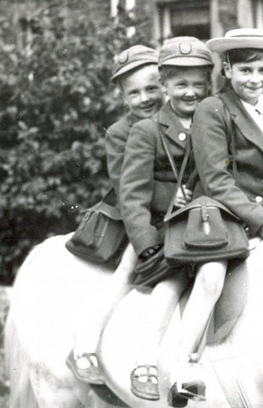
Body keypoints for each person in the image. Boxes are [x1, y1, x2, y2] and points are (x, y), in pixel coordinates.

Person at [164, 28, 263, 406]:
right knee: (211, 277)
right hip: (219, 213)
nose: (256, 80)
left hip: (262, 216)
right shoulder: (213, 109)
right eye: (246, 71)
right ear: (227, 70)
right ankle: (183, 365)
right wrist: (259, 217)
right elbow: (215, 179)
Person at [118, 37, 216, 401]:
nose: (190, 92)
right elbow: (133, 194)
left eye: (198, 84)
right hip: (167, 227)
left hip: (209, 221)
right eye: (180, 84)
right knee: (171, 279)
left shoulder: (217, 121)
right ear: (165, 86)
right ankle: (145, 361)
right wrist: (146, 245)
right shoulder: (147, 130)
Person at [67, 44, 164, 384]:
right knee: (127, 268)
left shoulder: (179, 120)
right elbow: (127, 188)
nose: (144, 98)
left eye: (152, 88)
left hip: (180, 212)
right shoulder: (120, 133)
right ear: (123, 97)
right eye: (134, 93)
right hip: (141, 216)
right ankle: (85, 344)